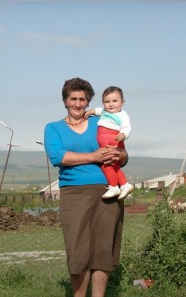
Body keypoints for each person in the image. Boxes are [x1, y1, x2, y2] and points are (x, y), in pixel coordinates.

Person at [43, 78, 127, 297]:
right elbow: (57, 156)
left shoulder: (103, 122)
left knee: (102, 250)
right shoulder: (53, 128)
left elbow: (124, 154)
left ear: (88, 101)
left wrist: (117, 154)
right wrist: (94, 156)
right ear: (65, 101)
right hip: (74, 193)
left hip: (108, 190)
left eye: (82, 99)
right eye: (73, 99)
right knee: (77, 250)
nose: (78, 104)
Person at [84, 86, 134, 200]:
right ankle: (125, 185)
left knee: (106, 165)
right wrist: (90, 112)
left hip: (114, 142)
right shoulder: (105, 111)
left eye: (115, 101)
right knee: (115, 167)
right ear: (103, 103)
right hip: (108, 143)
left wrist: (124, 135)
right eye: (107, 102)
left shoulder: (122, 115)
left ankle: (113, 187)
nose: (111, 104)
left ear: (122, 102)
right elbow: (97, 111)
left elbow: (127, 127)